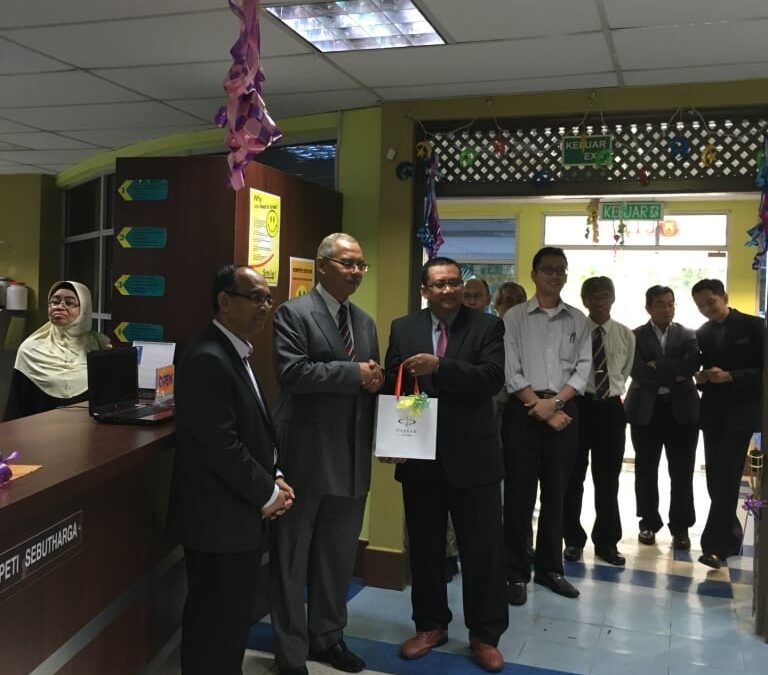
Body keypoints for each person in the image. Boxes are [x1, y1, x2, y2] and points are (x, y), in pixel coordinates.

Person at [167, 264, 295, 675]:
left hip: (238, 515)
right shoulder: (208, 356)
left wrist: (274, 475)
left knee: (231, 623)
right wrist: (267, 493)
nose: (265, 307)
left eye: (268, 299)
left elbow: (253, 432)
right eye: (255, 298)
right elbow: (220, 446)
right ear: (224, 301)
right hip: (216, 520)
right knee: (214, 624)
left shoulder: (237, 351)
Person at [383, 256, 508, 673]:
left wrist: (441, 366)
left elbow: (491, 378)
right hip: (420, 456)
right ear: (425, 290)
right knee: (425, 548)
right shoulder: (404, 328)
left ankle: (485, 634)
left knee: (482, 551)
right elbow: (394, 382)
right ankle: (430, 625)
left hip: (474, 458)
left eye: (455, 282)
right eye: (439, 284)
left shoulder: (486, 326)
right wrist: (389, 437)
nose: (449, 290)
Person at [270, 233, 382, 675]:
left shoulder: (365, 322)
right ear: (322, 265)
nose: (356, 272)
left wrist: (375, 381)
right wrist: (355, 374)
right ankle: (290, 653)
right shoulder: (293, 313)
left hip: (352, 458)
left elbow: (370, 381)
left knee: (337, 559)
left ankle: (328, 638)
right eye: (347, 263)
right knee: (292, 560)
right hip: (305, 457)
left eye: (360, 265)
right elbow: (293, 373)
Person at [502, 246, 590, 606]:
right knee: (519, 495)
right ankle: (515, 573)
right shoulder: (514, 318)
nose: (555, 275)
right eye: (548, 269)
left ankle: (551, 569)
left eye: (561, 270)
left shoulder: (578, 319)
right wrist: (539, 406)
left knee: (558, 493)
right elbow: (510, 369)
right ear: (534, 274)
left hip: (564, 412)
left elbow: (583, 369)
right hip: (522, 411)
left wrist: (554, 405)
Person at [563, 277, 635, 566]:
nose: (599, 302)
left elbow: (624, 371)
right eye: (593, 297)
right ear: (584, 301)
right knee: (573, 477)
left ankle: (607, 542)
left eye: (604, 296)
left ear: (613, 298)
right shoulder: (574, 333)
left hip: (611, 409)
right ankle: (572, 540)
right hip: (579, 406)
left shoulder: (625, 334)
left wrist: (608, 392)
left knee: (608, 480)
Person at [692, 279, 763, 569]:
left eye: (710, 302)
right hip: (712, 414)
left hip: (741, 413)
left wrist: (731, 376)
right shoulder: (702, 333)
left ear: (725, 297)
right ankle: (731, 537)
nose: (706, 309)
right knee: (715, 479)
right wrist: (702, 378)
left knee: (728, 478)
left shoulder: (754, 327)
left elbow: (762, 371)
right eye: (700, 306)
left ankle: (715, 548)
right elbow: (704, 371)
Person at [625, 285, 699, 550]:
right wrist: (673, 371)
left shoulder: (688, 334)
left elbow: (691, 366)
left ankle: (681, 527)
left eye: (671, 303)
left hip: (682, 412)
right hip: (646, 411)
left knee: (682, 472)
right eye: (660, 304)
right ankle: (648, 523)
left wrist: (657, 366)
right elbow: (637, 371)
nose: (667, 309)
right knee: (646, 470)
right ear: (648, 308)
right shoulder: (634, 336)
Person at [4, 280, 109, 421]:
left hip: (88, 428)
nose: (60, 307)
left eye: (69, 303)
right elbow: (16, 405)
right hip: (41, 428)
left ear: (84, 309)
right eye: (55, 302)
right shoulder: (31, 348)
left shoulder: (99, 344)